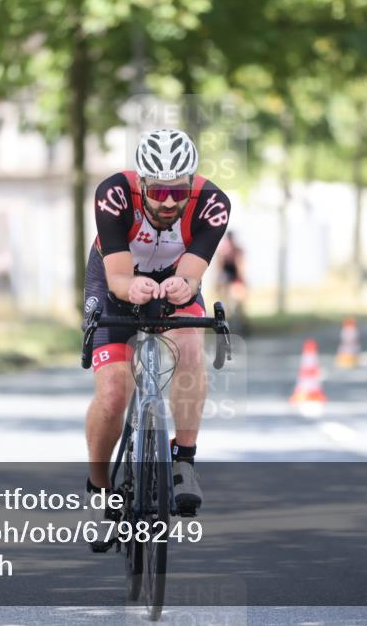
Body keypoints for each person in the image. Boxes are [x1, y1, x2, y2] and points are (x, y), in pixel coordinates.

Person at [83, 128, 231, 551]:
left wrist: (184, 286)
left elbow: (191, 271)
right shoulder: (113, 194)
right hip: (115, 277)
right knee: (112, 393)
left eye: (178, 190)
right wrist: (132, 289)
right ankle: (101, 493)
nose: (169, 201)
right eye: (159, 190)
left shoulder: (213, 203)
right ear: (142, 183)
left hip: (174, 277)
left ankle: (184, 461)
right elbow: (117, 277)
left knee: (188, 347)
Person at [215, 232, 247, 333]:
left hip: (235, 280)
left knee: (238, 306)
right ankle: (230, 325)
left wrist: (241, 280)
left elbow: (241, 267)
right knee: (228, 306)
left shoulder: (237, 251)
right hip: (227, 281)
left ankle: (240, 326)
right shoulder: (223, 252)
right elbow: (220, 269)